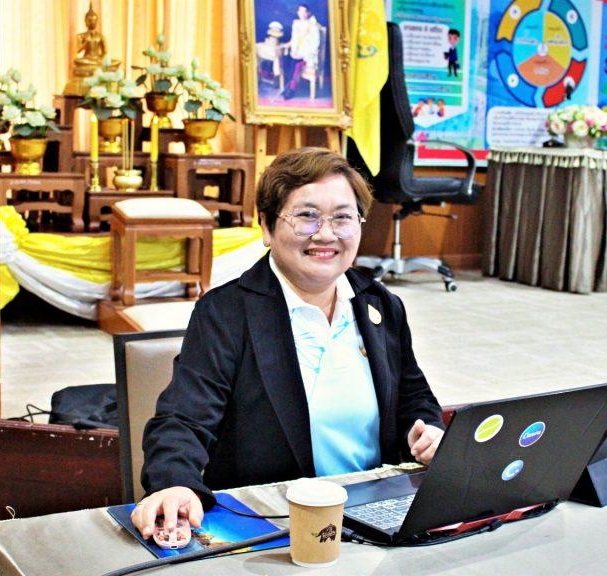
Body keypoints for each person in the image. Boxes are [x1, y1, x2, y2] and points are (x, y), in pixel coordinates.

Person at [131, 148, 445, 540]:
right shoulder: (227, 312)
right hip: (271, 522)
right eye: (307, 216)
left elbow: (414, 396)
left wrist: (426, 431)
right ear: (266, 226)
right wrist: (174, 482)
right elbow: (183, 418)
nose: (326, 234)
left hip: (371, 517)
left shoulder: (379, 304)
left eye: (343, 217)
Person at [280, 4, 322, 100]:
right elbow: (294, 40)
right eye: (300, 11)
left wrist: (302, 54)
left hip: (307, 55)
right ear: (297, 12)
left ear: (308, 13)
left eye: (304, 11)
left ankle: (291, 90)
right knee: (285, 60)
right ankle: (287, 86)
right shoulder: (296, 24)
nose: (302, 14)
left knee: (295, 64)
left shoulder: (313, 26)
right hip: (296, 52)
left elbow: (315, 44)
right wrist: (293, 51)